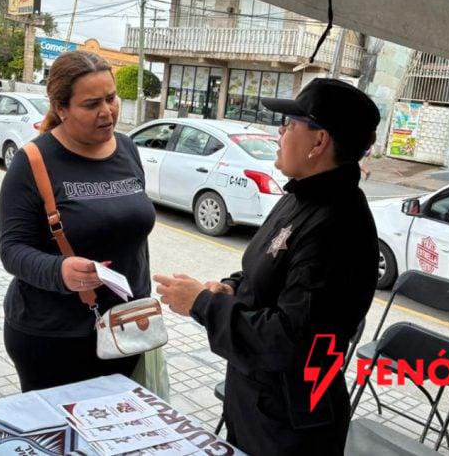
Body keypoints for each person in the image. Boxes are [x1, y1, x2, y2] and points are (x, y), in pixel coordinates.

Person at [154, 78, 380, 455]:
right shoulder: (301, 195)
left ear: (319, 142)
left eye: (290, 125)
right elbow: (266, 269)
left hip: (290, 425)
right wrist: (228, 287)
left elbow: (289, 340)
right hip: (258, 403)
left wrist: (202, 304)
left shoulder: (338, 225)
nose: (280, 133)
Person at [0, 51, 156, 392]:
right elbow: (12, 250)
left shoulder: (128, 149)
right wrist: (60, 272)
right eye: (91, 104)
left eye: (111, 98)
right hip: (52, 336)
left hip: (125, 326)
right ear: (61, 107)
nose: (107, 112)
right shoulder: (33, 162)